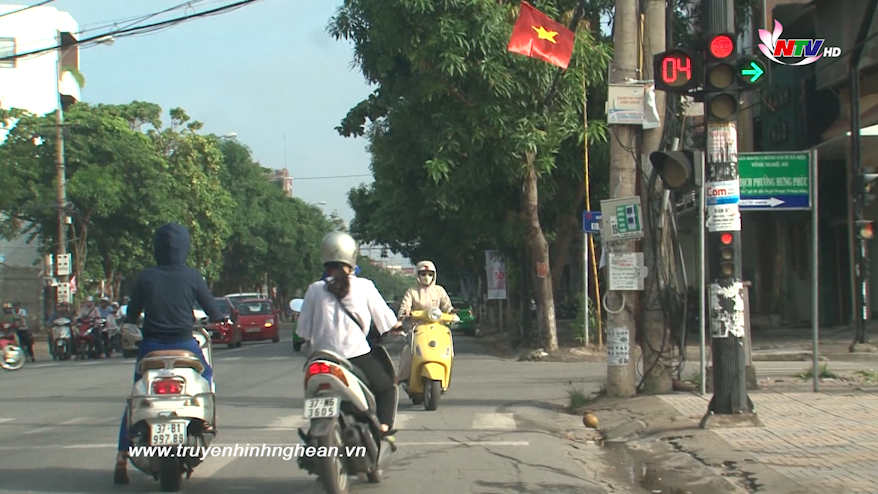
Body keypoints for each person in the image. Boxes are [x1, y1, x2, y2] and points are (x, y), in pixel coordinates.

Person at [113, 222, 225, 485]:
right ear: (184, 247)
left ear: (157, 248)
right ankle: (205, 421)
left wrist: (132, 320)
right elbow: (213, 309)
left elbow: (132, 314)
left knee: (136, 395)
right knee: (206, 380)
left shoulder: (146, 277)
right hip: (185, 345)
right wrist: (220, 318)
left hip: (151, 347)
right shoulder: (192, 276)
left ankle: (121, 456)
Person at [296, 232, 402, 435]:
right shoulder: (364, 286)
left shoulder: (314, 290)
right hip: (356, 355)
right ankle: (382, 429)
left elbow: (303, 331)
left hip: (321, 359)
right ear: (352, 258)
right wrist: (396, 327)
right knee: (387, 388)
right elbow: (386, 322)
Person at [396, 260, 454, 384]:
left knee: (448, 350)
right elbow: (405, 306)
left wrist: (452, 312)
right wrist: (405, 313)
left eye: (430, 274)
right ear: (417, 275)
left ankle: (446, 375)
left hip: (437, 328)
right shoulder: (412, 291)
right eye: (423, 274)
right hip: (417, 328)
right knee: (408, 351)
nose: (426, 277)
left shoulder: (439, 290)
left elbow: (447, 306)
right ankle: (403, 377)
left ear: (434, 275)